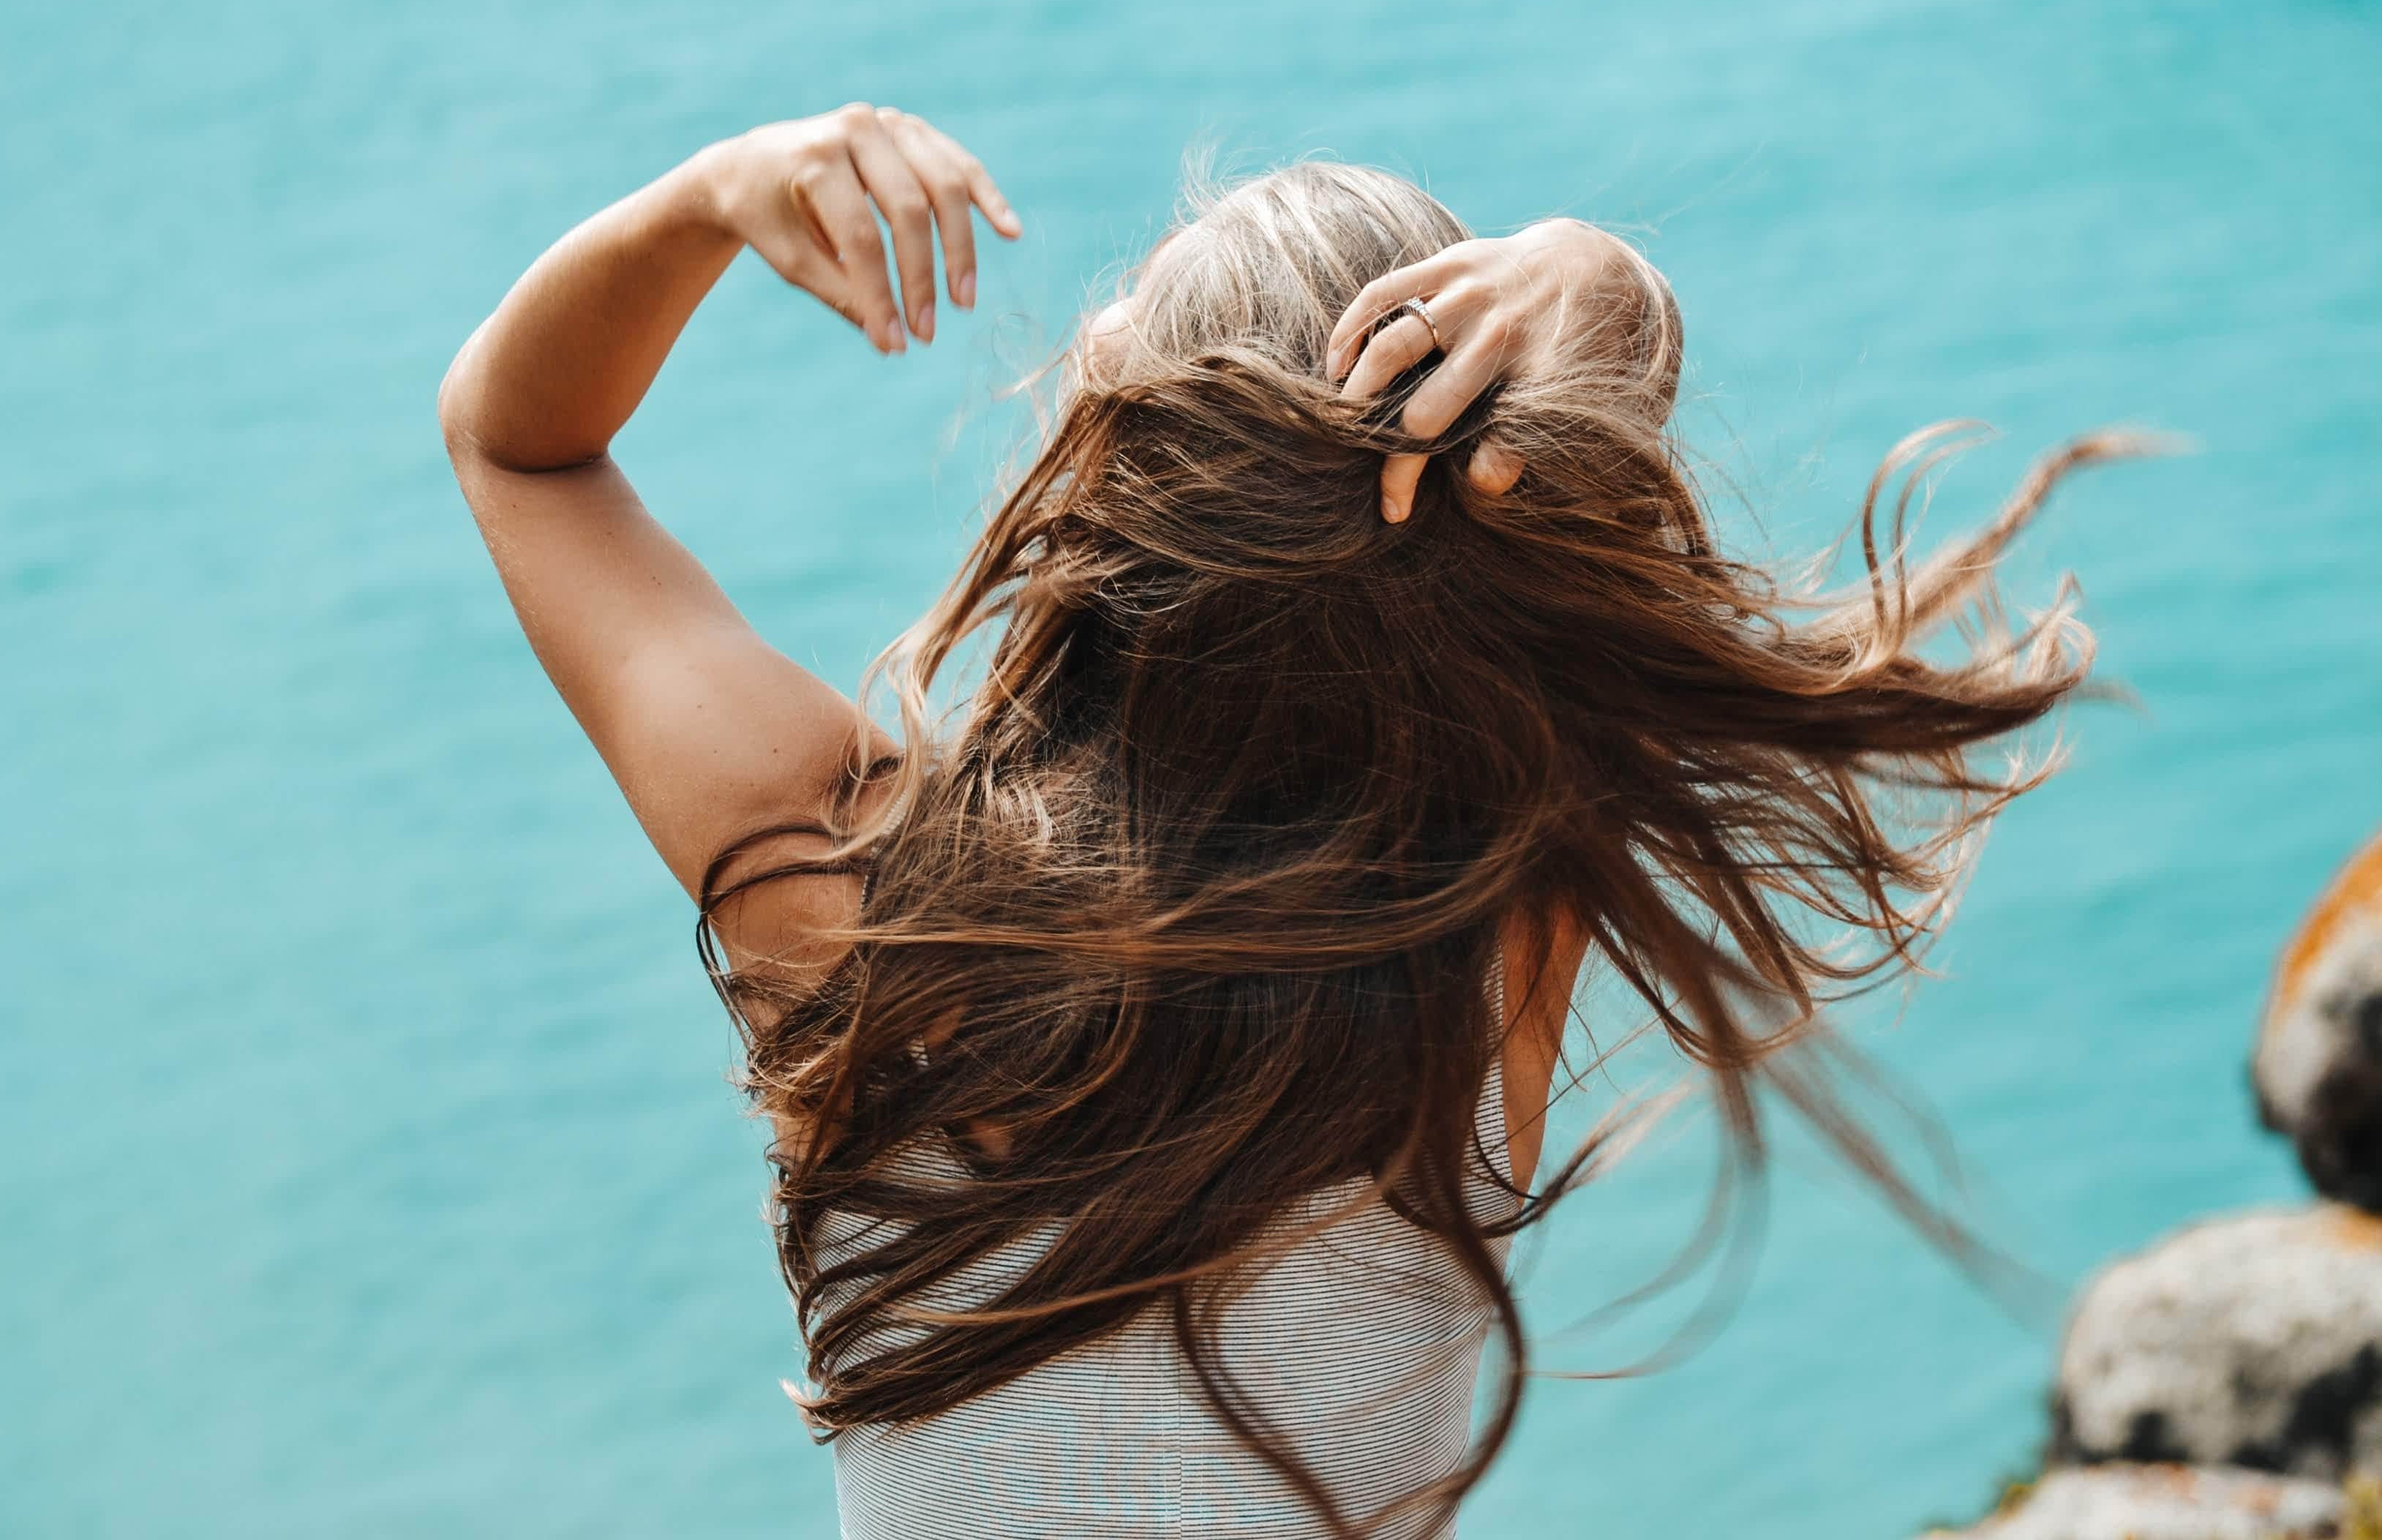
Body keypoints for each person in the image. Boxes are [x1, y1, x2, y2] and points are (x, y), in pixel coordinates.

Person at [440, 105, 2127, 1539]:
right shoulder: (1483, 960)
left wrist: (708, 194)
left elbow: (520, 448)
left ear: (1113, 487)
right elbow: (1542, 535)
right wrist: (1619, 295)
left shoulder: (858, 918)